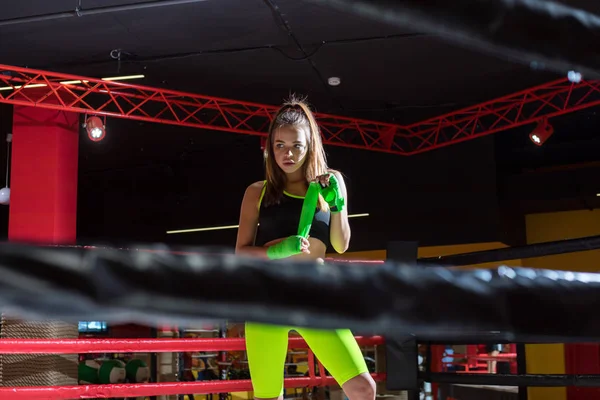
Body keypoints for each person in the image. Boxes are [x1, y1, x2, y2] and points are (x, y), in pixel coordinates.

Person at [235, 96, 376, 400]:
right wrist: (277, 250)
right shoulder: (257, 192)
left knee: (363, 388)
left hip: (315, 295)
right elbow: (241, 253)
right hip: (267, 300)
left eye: (296, 145)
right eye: (279, 146)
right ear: (270, 148)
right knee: (269, 397)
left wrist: (337, 205)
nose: (287, 153)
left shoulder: (331, 181)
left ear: (310, 145)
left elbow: (340, 244)